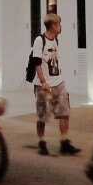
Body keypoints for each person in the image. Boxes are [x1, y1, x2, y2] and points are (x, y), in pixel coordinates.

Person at [31, 14, 79, 156]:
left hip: (58, 82)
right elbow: (36, 63)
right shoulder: (40, 40)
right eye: (59, 24)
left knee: (64, 113)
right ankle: (41, 142)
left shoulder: (55, 40)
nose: (61, 26)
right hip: (44, 85)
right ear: (53, 25)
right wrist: (43, 82)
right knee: (43, 116)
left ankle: (64, 142)